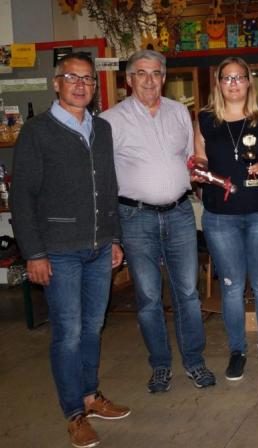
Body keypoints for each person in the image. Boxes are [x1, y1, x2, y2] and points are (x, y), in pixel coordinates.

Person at [11, 52, 130, 448]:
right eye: (72, 78)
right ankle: (74, 414)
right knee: (68, 333)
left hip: (99, 247)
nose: (81, 85)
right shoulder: (37, 131)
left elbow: (109, 188)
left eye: (88, 79)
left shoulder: (102, 129)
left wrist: (114, 238)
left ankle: (91, 397)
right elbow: (22, 197)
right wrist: (34, 252)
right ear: (56, 83)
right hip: (59, 251)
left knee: (93, 327)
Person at [101, 49, 215, 392]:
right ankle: (161, 365)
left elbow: (189, 158)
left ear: (164, 78)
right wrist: (111, 232)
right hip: (135, 217)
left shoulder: (179, 112)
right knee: (149, 297)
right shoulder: (110, 120)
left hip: (180, 213)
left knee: (188, 294)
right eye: (141, 73)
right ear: (129, 79)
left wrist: (200, 170)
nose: (149, 80)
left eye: (156, 73)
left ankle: (194, 362)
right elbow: (102, 178)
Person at [194, 57, 258, 382]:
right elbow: (200, 159)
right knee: (231, 286)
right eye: (227, 78)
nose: (233, 84)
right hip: (220, 217)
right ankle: (237, 351)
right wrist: (198, 171)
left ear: (249, 81)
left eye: (239, 77)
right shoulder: (205, 119)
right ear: (218, 83)